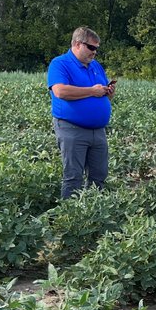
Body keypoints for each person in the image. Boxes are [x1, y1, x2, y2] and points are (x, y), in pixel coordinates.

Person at [47, 26, 112, 199]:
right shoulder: (60, 64)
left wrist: (107, 93)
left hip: (97, 130)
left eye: (96, 48)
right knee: (73, 176)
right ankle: (69, 218)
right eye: (91, 47)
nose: (94, 52)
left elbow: (100, 93)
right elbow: (60, 91)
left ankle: (92, 215)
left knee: (99, 175)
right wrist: (91, 91)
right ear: (77, 44)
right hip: (72, 128)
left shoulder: (96, 66)